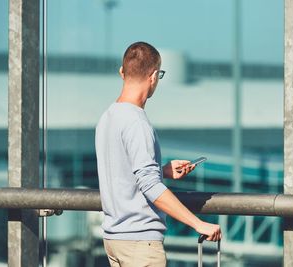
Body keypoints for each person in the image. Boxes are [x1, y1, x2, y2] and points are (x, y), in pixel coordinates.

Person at [95, 41, 221, 267]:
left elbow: (121, 173)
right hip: (140, 245)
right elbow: (150, 186)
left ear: (122, 72)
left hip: (114, 239)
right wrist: (197, 224)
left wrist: (162, 171)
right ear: (153, 77)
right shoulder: (137, 122)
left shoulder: (108, 117)